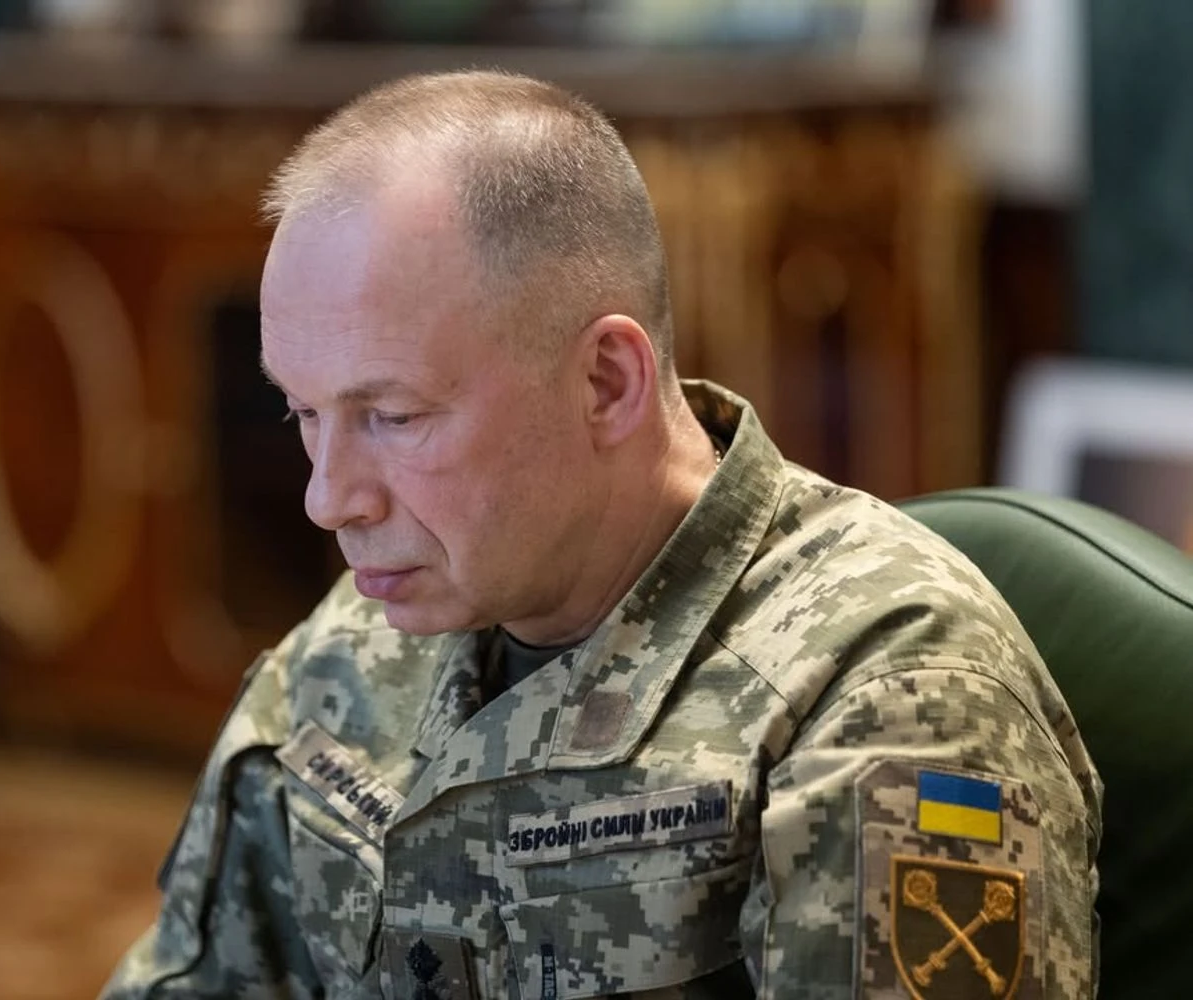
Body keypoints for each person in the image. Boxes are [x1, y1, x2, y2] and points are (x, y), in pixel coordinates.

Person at [101, 70, 1101, 999]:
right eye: (303, 413)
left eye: (393, 417)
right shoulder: (366, 631)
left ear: (606, 382)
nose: (329, 498)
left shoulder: (891, 696)